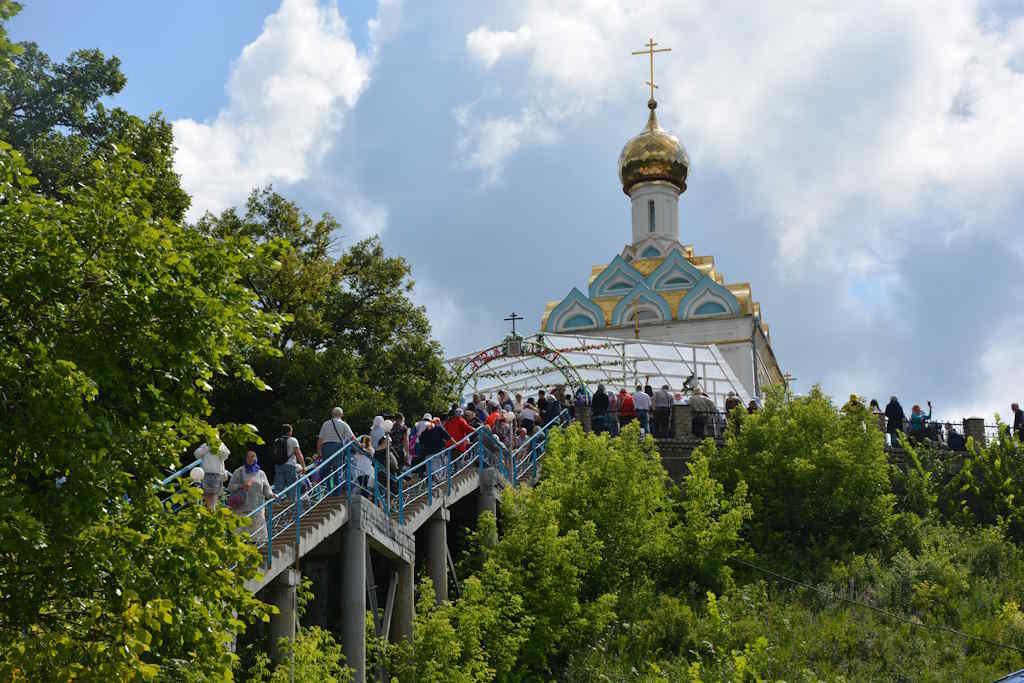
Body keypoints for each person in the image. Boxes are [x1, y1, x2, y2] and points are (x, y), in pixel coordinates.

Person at [228, 451, 278, 545]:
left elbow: (266, 489)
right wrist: (242, 486)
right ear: (246, 459)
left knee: (257, 536)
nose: (251, 459)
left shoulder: (261, 473)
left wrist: (272, 495)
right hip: (241, 508)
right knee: (241, 536)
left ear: (256, 458)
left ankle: (257, 553)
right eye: (249, 457)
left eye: (253, 457)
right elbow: (230, 487)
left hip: (257, 508)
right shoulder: (239, 471)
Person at [317, 407, 355, 495]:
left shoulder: (326, 424)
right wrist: (360, 445)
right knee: (337, 470)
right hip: (338, 447)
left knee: (326, 470)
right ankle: (337, 493)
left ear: (332, 414)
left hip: (325, 447)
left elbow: (320, 439)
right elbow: (352, 437)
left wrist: (319, 452)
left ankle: (328, 491)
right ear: (341, 415)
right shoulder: (343, 424)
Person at [194, 437, 229, 512]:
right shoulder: (205, 445)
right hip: (205, 474)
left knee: (213, 495)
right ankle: (207, 511)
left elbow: (226, 455)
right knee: (205, 495)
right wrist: (207, 447)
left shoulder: (221, 445)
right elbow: (196, 454)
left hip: (216, 474)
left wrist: (217, 447)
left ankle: (211, 511)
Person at [273, 423, 303, 500]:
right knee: (292, 486)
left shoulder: (277, 440)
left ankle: (277, 504)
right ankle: (293, 505)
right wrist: (303, 466)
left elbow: (275, 453)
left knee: (278, 487)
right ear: (289, 432)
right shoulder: (293, 440)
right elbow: (298, 454)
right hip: (290, 465)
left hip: (278, 465)